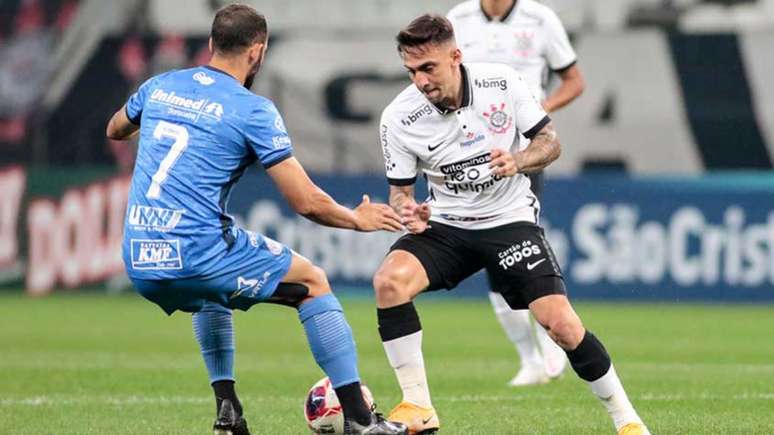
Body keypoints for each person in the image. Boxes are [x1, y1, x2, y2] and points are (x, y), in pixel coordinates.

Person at [106, 5, 408, 435]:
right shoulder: (252, 110)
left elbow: (115, 129)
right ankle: (361, 421)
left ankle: (227, 412)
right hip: (196, 252)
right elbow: (306, 202)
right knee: (314, 283)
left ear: (211, 45)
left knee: (210, 296)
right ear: (258, 52)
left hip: (140, 257)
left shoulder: (159, 86)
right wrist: (356, 220)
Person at [374, 14, 649, 435]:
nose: (421, 81)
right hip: (448, 224)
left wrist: (518, 160)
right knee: (389, 283)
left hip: (509, 220)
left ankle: (626, 420)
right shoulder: (398, 117)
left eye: (428, 68)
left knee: (561, 325)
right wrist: (410, 210)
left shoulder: (501, 82)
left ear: (455, 57)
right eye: (412, 71)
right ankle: (418, 405)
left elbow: (550, 143)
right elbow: (401, 194)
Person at [446, 0, 586, 387]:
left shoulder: (540, 19)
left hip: (521, 149)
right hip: (470, 147)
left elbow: (574, 80)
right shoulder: (457, 19)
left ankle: (550, 329)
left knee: (520, 239)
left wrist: (541, 108)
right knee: (490, 252)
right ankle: (529, 360)